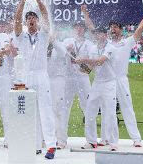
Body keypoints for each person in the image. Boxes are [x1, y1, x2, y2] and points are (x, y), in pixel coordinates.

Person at [83, 4, 143, 147]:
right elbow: (92, 28)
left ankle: (136, 139)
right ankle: (105, 139)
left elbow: (140, 28)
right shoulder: (105, 43)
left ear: (121, 29)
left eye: (116, 27)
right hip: (106, 80)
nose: (113, 29)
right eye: (111, 27)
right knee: (106, 109)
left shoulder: (126, 42)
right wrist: (85, 13)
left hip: (120, 79)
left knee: (127, 107)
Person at [14, 0, 57, 159]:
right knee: (29, 111)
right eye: (29, 18)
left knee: (45, 109)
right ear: (26, 22)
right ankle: (35, 145)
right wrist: (23, 0)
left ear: (38, 21)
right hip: (26, 77)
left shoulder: (44, 34)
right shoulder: (21, 36)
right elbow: (16, 19)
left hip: (41, 75)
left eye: (34, 18)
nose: (31, 20)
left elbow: (45, 13)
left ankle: (51, 145)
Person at [74, 27, 117, 150]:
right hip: (97, 83)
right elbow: (89, 68)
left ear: (105, 35)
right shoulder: (93, 48)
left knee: (110, 112)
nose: (99, 36)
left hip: (109, 83)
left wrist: (83, 59)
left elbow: (99, 61)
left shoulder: (110, 48)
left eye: (101, 34)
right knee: (89, 111)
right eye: (97, 34)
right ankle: (91, 141)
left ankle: (112, 142)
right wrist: (80, 65)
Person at [63, 19, 94, 148]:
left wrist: (86, 67)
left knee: (88, 108)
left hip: (83, 77)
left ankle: (91, 140)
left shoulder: (89, 44)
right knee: (64, 108)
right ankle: (61, 140)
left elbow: (92, 62)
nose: (79, 29)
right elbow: (59, 55)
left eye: (81, 27)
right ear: (73, 29)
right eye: (76, 27)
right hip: (68, 77)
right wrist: (67, 50)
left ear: (84, 29)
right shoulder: (67, 41)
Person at [47, 31, 68, 149]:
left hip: (58, 80)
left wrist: (53, 41)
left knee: (58, 109)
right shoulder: (41, 45)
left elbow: (63, 52)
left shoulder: (59, 45)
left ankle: (61, 140)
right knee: (46, 110)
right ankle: (48, 138)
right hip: (45, 80)